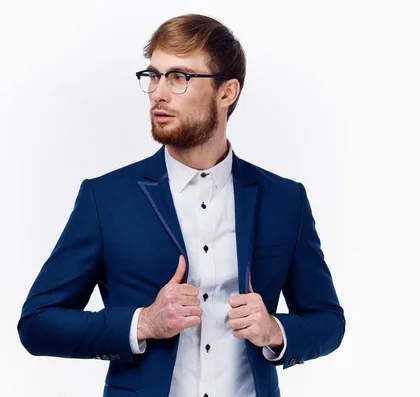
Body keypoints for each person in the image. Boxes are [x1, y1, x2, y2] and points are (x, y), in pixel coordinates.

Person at [17, 13, 345, 397]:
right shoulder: (106, 198)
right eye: (153, 76)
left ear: (227, 92)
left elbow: (328, 321)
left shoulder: (285, 200)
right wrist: (142, 323)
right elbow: (38, 324)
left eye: (179, 77)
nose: (158, 92)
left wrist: (275, 330)